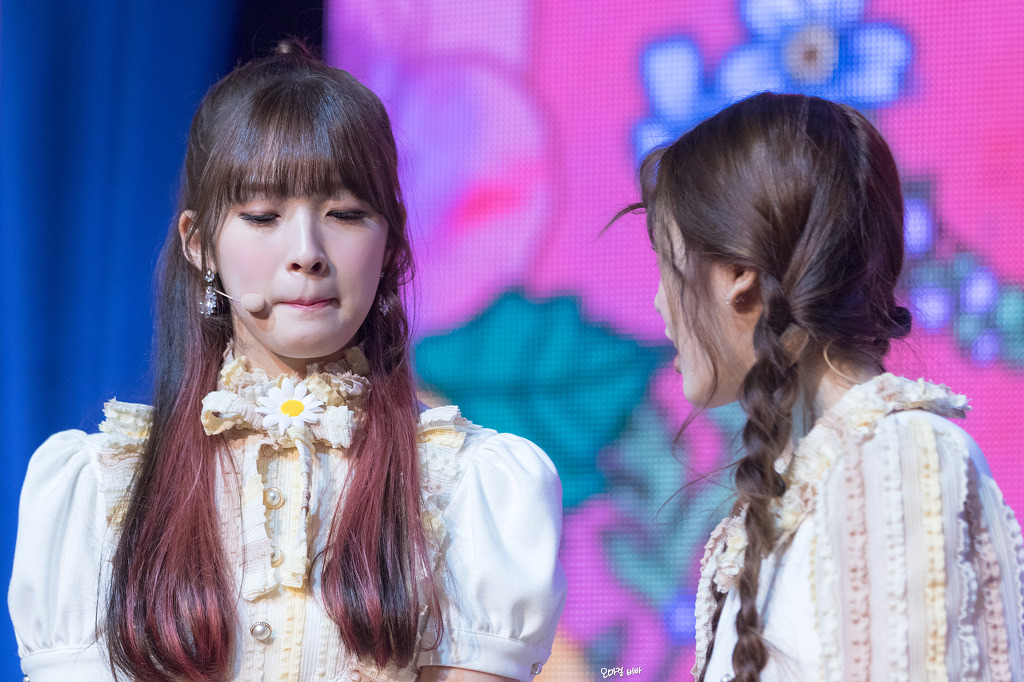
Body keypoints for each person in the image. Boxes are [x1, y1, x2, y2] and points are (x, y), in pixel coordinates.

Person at [8, 43, 565, 682]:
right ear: (200, 243)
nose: (307, 251)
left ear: (391, 242)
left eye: (346, 214)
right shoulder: (103, 488)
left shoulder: (466, 486)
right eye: (263, 215)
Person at [632, 92, 1024, 681]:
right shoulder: (820, 475)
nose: (660, 302)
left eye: (668, 263)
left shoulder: (896, 456)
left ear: (740, 276)